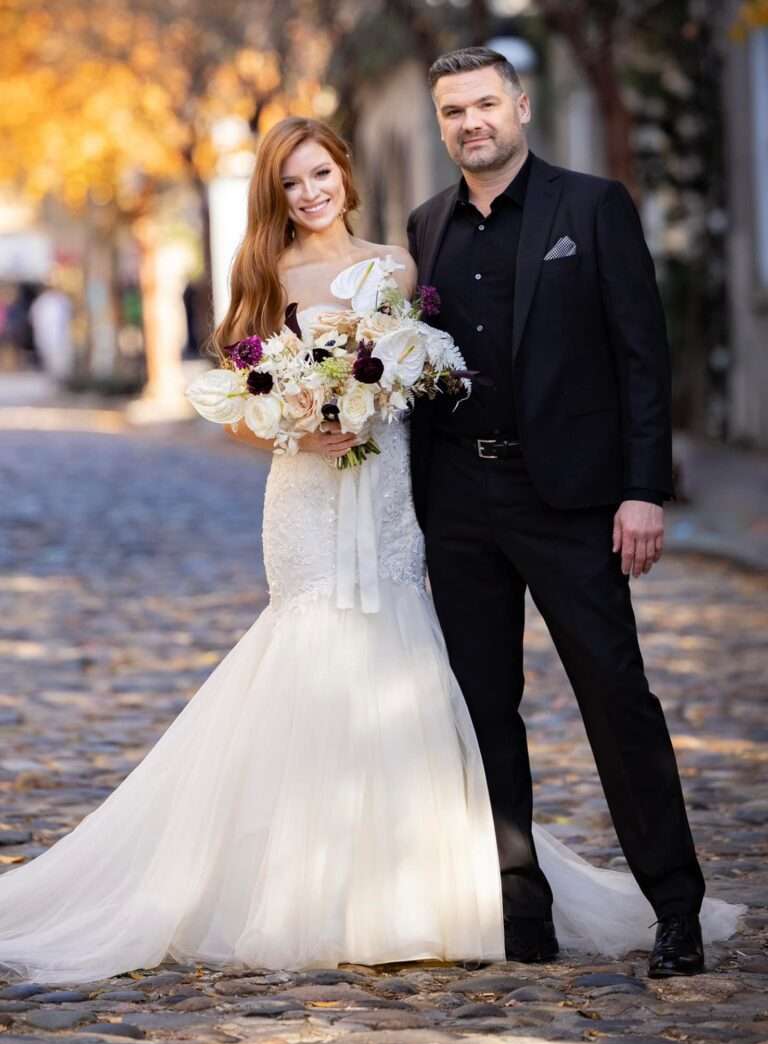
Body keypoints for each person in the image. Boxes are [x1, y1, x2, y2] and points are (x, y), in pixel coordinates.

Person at [0, 117, 740, 986]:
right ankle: (314, 888)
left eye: (320, 174)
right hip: (309, 496)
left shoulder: (401, 261)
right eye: (290, 183)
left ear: (345, 174)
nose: (309, 193)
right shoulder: (263, 273)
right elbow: (238, 399)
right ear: (275, 196)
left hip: (392, 492)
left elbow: (432, 376)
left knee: (415, 668)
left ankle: (458, 891)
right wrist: (293, 425)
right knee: (324, 659)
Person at [406, 46, 731, 978]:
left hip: (574, 502)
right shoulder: (426, 227)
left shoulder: (590, 207)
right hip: (460, 502)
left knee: (616, 699)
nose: (471, 123)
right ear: (441, 126)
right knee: (485, 713)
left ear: (520, 108)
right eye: (452, 112)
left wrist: (643, 487)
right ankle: (522, 914)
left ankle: (676, 908)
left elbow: (642, 353)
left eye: (484, 105)